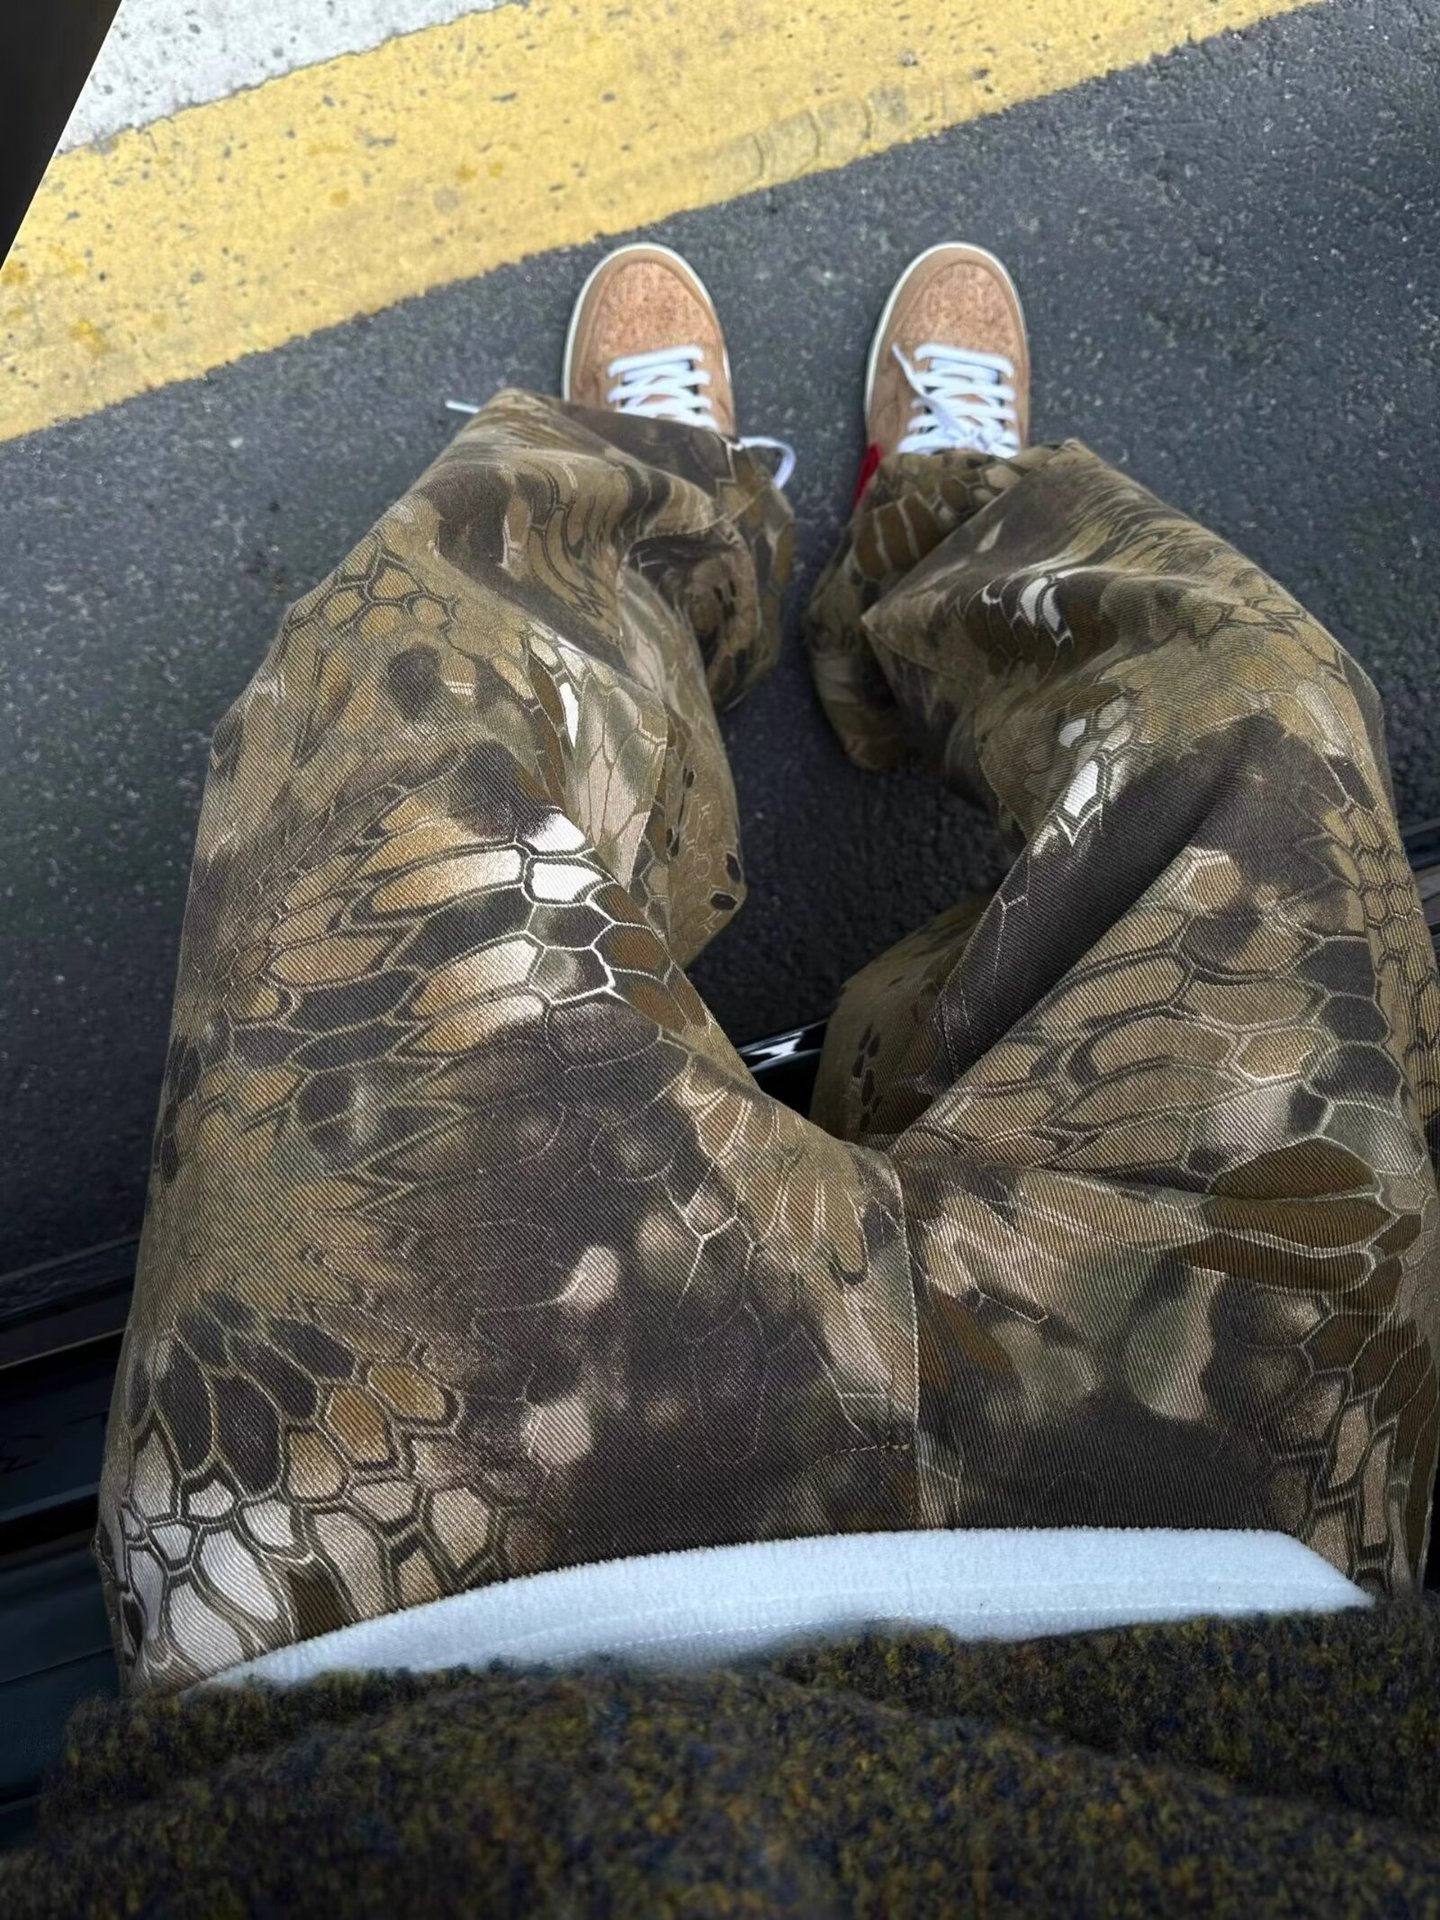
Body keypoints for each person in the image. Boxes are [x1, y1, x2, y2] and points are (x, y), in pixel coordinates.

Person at [7, 243, 1440, 1913]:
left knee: (388, 710)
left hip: (418, 1627)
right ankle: (942, 529)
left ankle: (666, 532)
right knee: (1268, 713)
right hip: (1235, 1578)